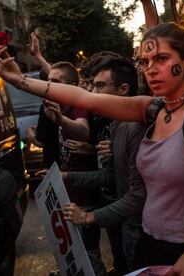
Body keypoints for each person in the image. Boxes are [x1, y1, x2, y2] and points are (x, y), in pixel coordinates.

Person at [0, 22, 184, 275]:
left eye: (162, 59)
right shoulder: (153, 108)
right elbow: (85, 98)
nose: (151, 70)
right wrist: (20, 80)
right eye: (145, 62)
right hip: (149, 245)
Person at [63, 57, 146, 272]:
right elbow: (110, 176)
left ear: (123, 89)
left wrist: (89, 217)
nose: (92, 93)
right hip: (126, 228)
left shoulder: (135, 128)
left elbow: (137, 197)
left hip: (141, 233)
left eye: (100, 85)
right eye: (91, 85)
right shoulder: (116, 124)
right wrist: (68, 177)